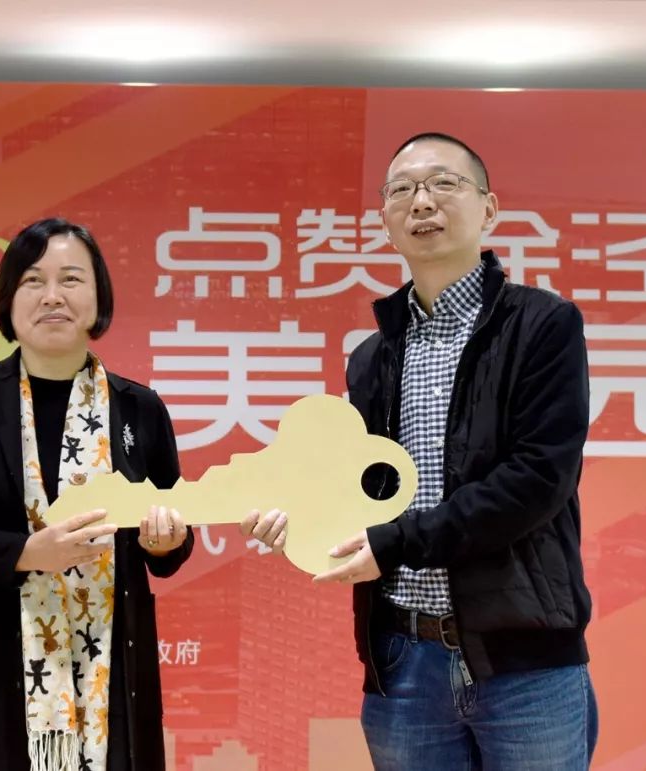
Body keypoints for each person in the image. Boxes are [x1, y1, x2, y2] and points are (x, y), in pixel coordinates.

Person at [243, 132, 598, 769]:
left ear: (488, 208)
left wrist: (395, 542)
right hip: (404, 660)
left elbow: (537, 479)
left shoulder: (543, 325)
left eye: (444, 184)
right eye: (402, 190)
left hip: (525, 661)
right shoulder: (372, 357)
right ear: (385, 219)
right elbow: (364, 494)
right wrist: (301, 518)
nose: (422, 201)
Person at [0, 217, 194, 771]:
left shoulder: (139, 408)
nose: (53, 296)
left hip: (108, 675)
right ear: (7, 301)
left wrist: (163, 542)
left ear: (99, 298)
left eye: (71, 279)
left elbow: (174, 540)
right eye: (33, 280)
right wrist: (25, 553)